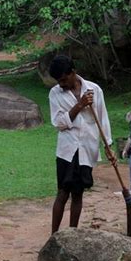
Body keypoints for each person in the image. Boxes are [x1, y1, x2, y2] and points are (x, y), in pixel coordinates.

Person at [48, 55, 116, 234]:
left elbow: (103, 119)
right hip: (67, 150)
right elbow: (58, 123)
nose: (61, 84)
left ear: (73, 72)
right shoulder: (55, 93)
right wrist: (80, 105)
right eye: (58, 81)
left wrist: (108, 145)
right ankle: (54, 236)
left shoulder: (94, 90)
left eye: (63, 79)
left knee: (78, 193)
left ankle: (72, 234)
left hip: (88, 148)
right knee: (63, 192)